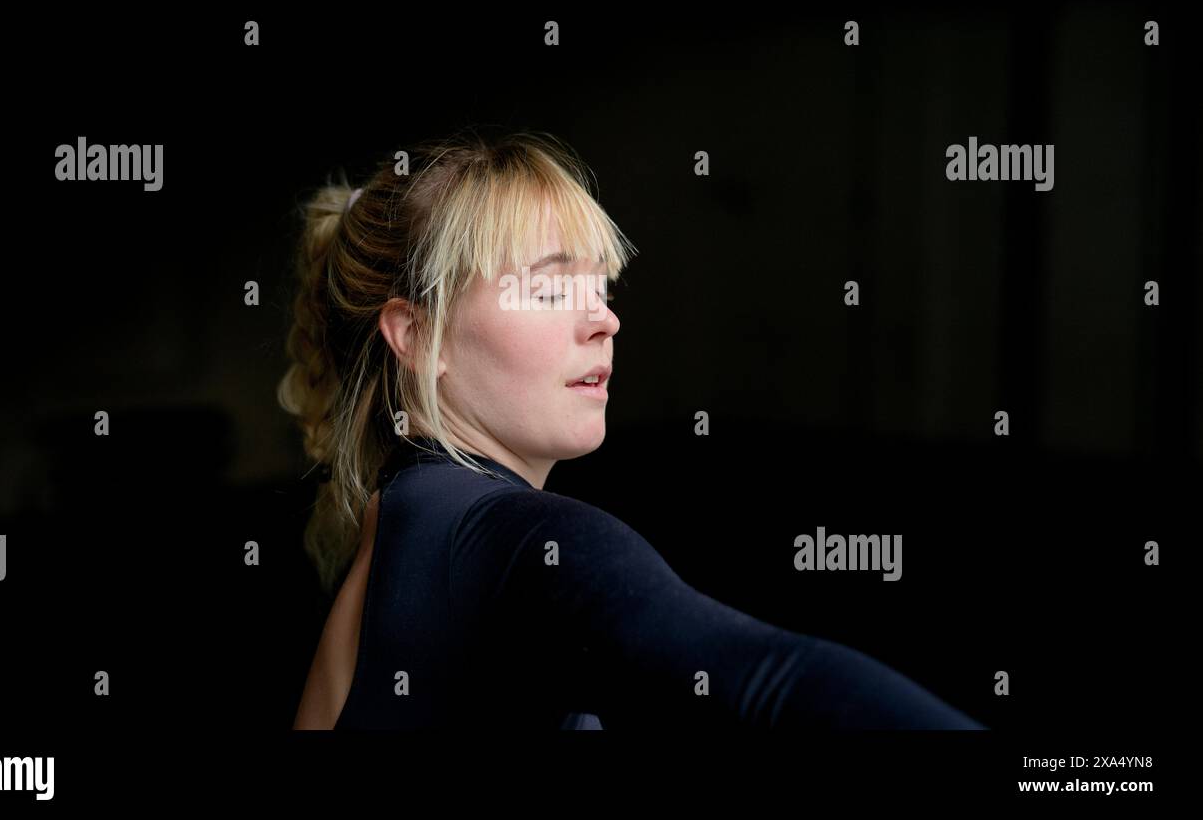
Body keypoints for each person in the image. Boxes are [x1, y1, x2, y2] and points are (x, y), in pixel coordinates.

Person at [281, 128, 984, 730]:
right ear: (414, 331)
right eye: (550, 288)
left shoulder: (389, 543)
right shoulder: (512, 538)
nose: (605, 320)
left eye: (601, 288)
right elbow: (768, 679)